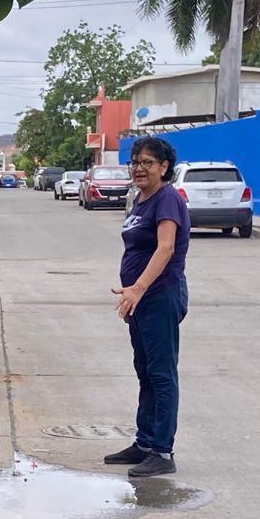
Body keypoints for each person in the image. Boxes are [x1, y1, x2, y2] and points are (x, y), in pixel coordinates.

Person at [107, 136, 190, 478]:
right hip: (139, 299)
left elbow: (166, 248)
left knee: (161, 373)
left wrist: (138, 289)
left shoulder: (167, 198)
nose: (140, 169)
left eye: (148, 163)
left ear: (164, 167)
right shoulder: (141, 200)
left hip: (159, 296)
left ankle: (162, 451)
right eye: (135, 162)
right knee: (144, 369)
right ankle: (144, 442)